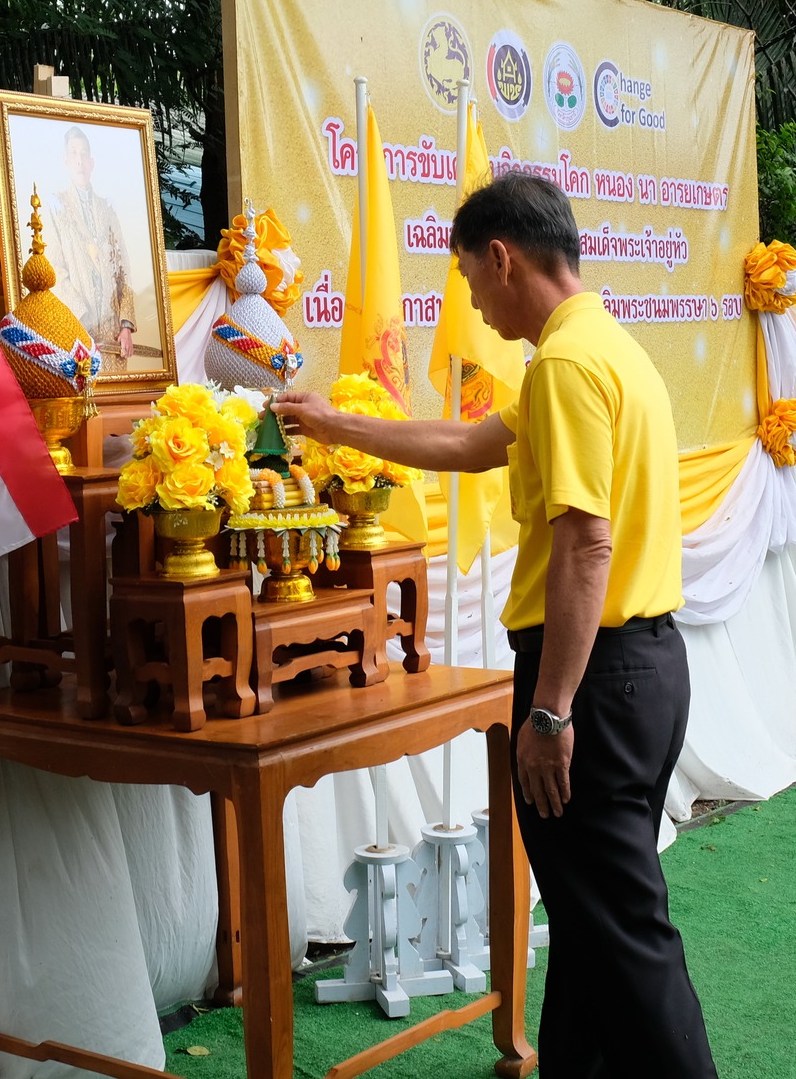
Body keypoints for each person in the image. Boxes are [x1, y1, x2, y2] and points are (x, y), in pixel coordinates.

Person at [272, 173, 717, 1077]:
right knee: (592, 916)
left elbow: (586, 547)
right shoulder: (604, 347)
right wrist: (336, 424)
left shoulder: (562, 364)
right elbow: (471, 445)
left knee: (625, 933)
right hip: (643, 671)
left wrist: (550, 712)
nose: (471, 295)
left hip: (589, 682)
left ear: (504, 256)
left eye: (471, 276)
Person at [39, 125, 138, 367]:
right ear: (66, 161)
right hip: (77, 331)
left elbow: (123, 269)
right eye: (73, 153)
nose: (79, 160)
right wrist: (81, 318)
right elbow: (55, 272)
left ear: (92, 162)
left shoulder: (108, 211)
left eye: (84, 153)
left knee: (115, 401)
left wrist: (125, 326)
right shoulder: (56, 209)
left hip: (112, 336)